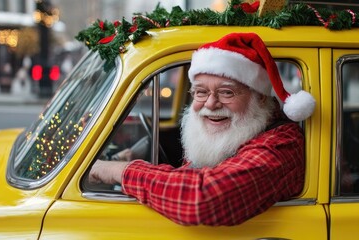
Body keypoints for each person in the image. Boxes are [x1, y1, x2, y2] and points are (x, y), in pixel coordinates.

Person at [89, 32, 316, 226]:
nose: (210, 104)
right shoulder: (234, 132)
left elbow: (203, 199)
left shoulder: (280, 144)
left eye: (227, 92)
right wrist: (135, 154)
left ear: (260, 98)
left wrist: (120, 170)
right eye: (200, 92)